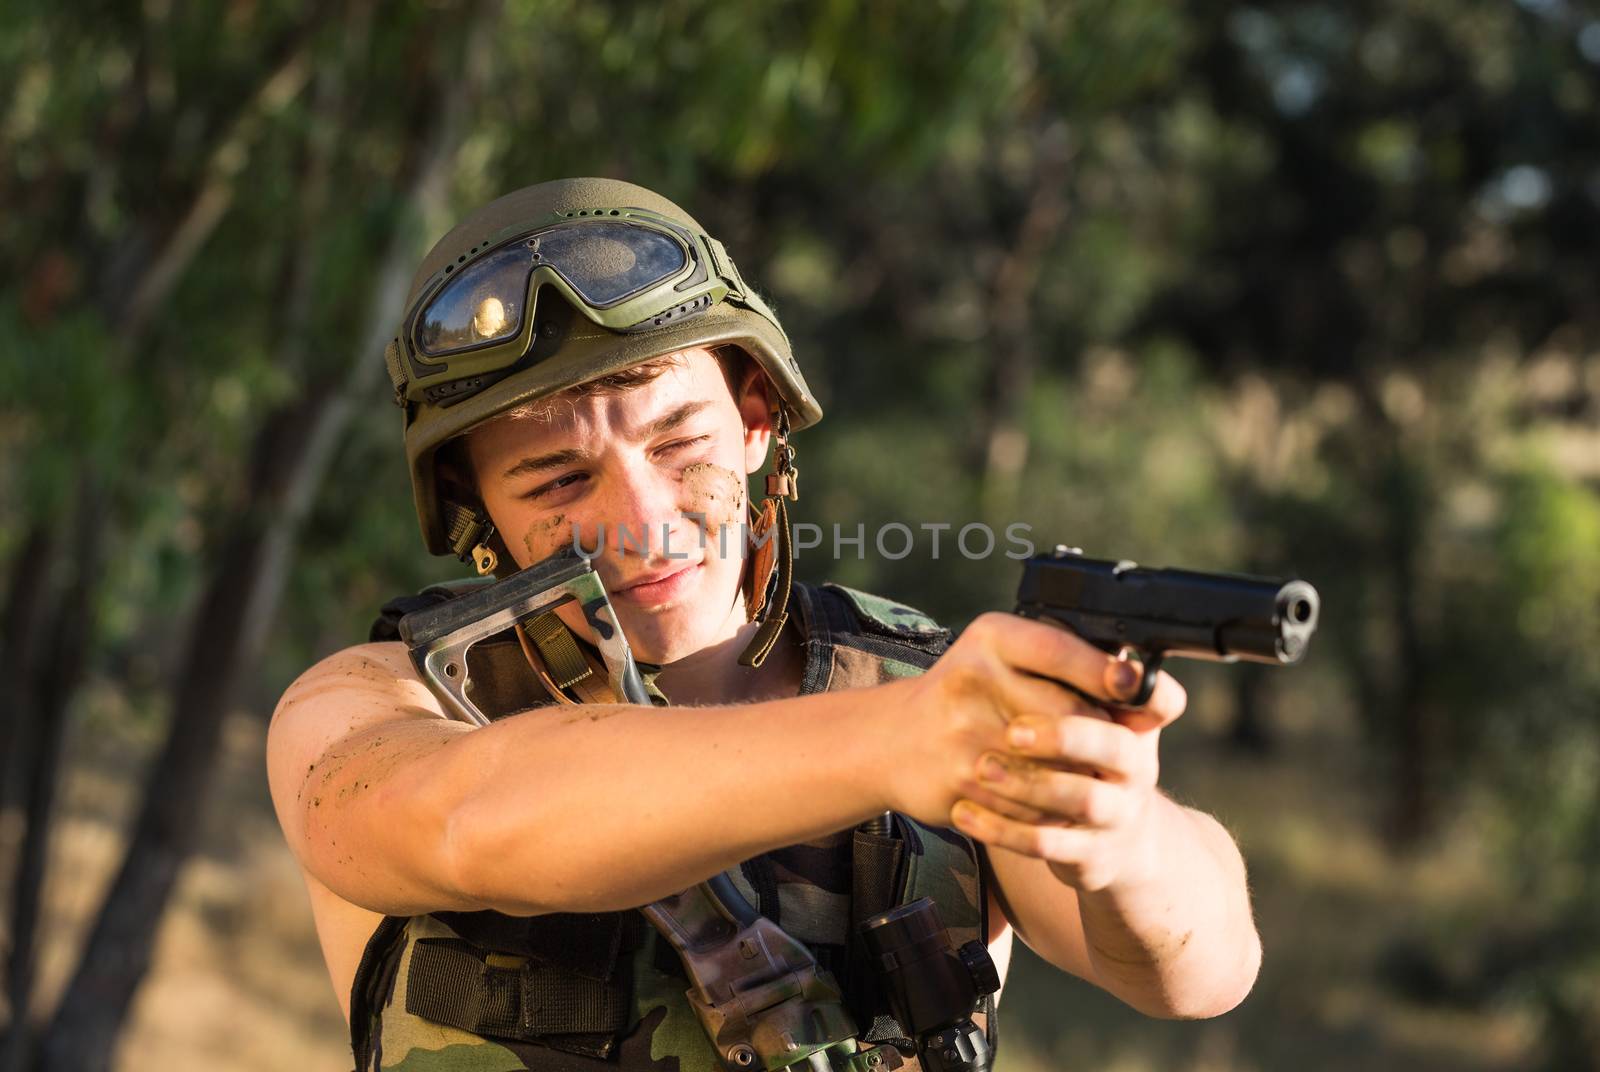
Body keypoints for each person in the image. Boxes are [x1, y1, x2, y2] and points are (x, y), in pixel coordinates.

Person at [266, 177, 1260, 1072]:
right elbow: (469, 818)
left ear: (754, 423)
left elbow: (1200, 972)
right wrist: (903, 739)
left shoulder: (930, 688)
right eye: (560, 479)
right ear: (476, 505)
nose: (643, 520)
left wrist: (1120, 831)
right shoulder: (371, 705)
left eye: (680, 440)